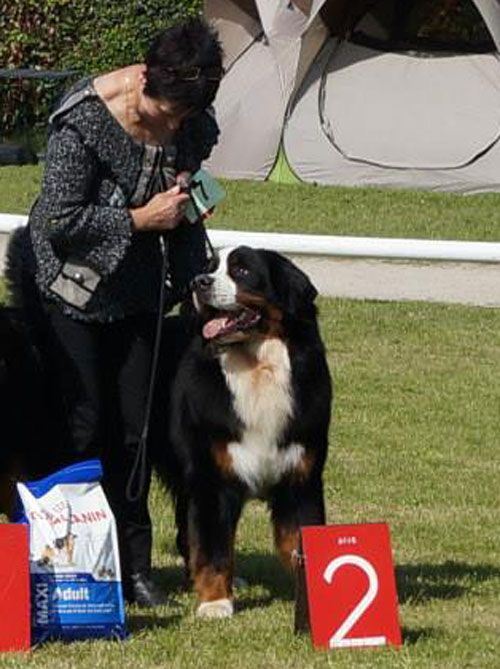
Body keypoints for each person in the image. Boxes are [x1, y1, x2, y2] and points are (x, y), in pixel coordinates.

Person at [9, 18, 224, 607]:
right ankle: (70, 562)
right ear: (143, 81)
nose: (176, 127)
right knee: (82, 428)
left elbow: (187, 184)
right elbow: (55, 222)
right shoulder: (82, 122)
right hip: (71, 294)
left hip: (142, 294)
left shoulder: (191, 119)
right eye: (167, 115)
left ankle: (134, 568)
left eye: (186, 117)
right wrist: (137, 220)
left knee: (138, 431)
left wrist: (184, 233)